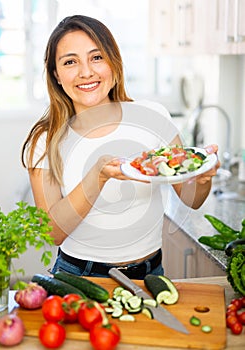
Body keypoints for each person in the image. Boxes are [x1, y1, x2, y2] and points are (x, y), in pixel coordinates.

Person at [21, 15, 220, 279]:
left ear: (114, 63)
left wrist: (202, 179)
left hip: (151, 274)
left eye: (97, 57)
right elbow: (53, 234)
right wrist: (98, 176)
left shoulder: (153, 117)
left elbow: (191, 199)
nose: (86, 72)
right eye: (70, 62)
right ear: (56, 74)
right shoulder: (45, 139)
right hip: (79, 277)